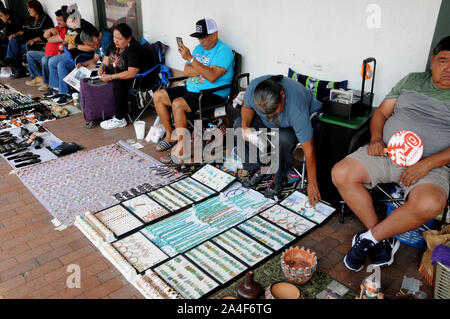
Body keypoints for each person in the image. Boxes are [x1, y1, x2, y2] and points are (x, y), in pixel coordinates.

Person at [331, 36, 450, 272]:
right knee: (341, 173)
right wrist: (375, 138)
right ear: (433, 62)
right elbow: (381, 114)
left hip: (433, 165)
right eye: (443, 61)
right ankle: (381, 237)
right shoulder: (412, 80)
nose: (448, 69)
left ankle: (368, 239)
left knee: (431, 203)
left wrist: (426, 165)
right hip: (388, 151)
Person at [152, 18, 234, 164]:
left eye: (204, 37)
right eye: (199, 37)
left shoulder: (224, 51)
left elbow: (212, 76)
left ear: (215, 34)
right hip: (190, 88)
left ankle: (183, 149)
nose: (201, 41)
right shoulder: (198, 49)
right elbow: (187, 70)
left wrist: (192, 59)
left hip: (212, 94)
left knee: (178, 104)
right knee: (158, 96)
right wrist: (202, 69)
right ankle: (171, 136)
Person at [234, 75, 322, 203]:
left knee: (283, 139)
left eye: (274, 110)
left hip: (289, 125)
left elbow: (309, 149)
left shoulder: (296, 108)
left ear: (282, 95)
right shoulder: (254, 89)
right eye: (265, 112)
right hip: (269, 123)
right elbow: (247, 107)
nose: (270, 116)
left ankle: (279, 178)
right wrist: (245, 127)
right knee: (238, 125)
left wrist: (312, 183)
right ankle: (256, 168)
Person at [98, 23, 150, 130]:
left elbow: (132, 73)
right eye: (114, 37)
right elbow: (106, 61)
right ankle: (104, 112)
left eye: (119, 39)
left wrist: (111, 77)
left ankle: (119, 118)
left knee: (118, 81)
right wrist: (101, 68)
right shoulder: (114, 46)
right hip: (115, 74)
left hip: (134, 80)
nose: (116, 41)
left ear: (129, 38)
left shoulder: (134, 49)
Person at [45, 4, 95, 105]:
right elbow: (68, 39)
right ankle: (56, 89)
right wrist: (63, 44)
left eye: (69, 21)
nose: (67, 25)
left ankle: (66, 94)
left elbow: (93, 48)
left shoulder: (86, 28)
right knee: (52, 61)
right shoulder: (71, 26)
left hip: (85, 56)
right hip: (73, 53)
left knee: (61, 65)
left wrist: (76, 46)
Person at [0, 0, 53, 78]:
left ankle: (17, 69)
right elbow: (23, 31)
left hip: (35, 42)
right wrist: (15, 34)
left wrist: (35, 39)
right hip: (24, 39)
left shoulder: (45, 19)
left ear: (36, 8)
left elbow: (46, 34)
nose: (28, 10)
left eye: (30, 8)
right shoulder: (29, 20)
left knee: (17, 50)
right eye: (28, 8)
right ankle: (10, 60)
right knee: (13, 40)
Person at [25, 5, 67, 91]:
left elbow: (52, 40)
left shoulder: (67, 30)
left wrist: (50, 36)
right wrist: (50, 30)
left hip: (56, 55)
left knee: (45, 59)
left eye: (60, 20)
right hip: (47, 53)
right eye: (57, 20)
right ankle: (39, 78)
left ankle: (47, 82)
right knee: (30, 54)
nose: (58, 22)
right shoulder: (57, 27)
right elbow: (45, 35)